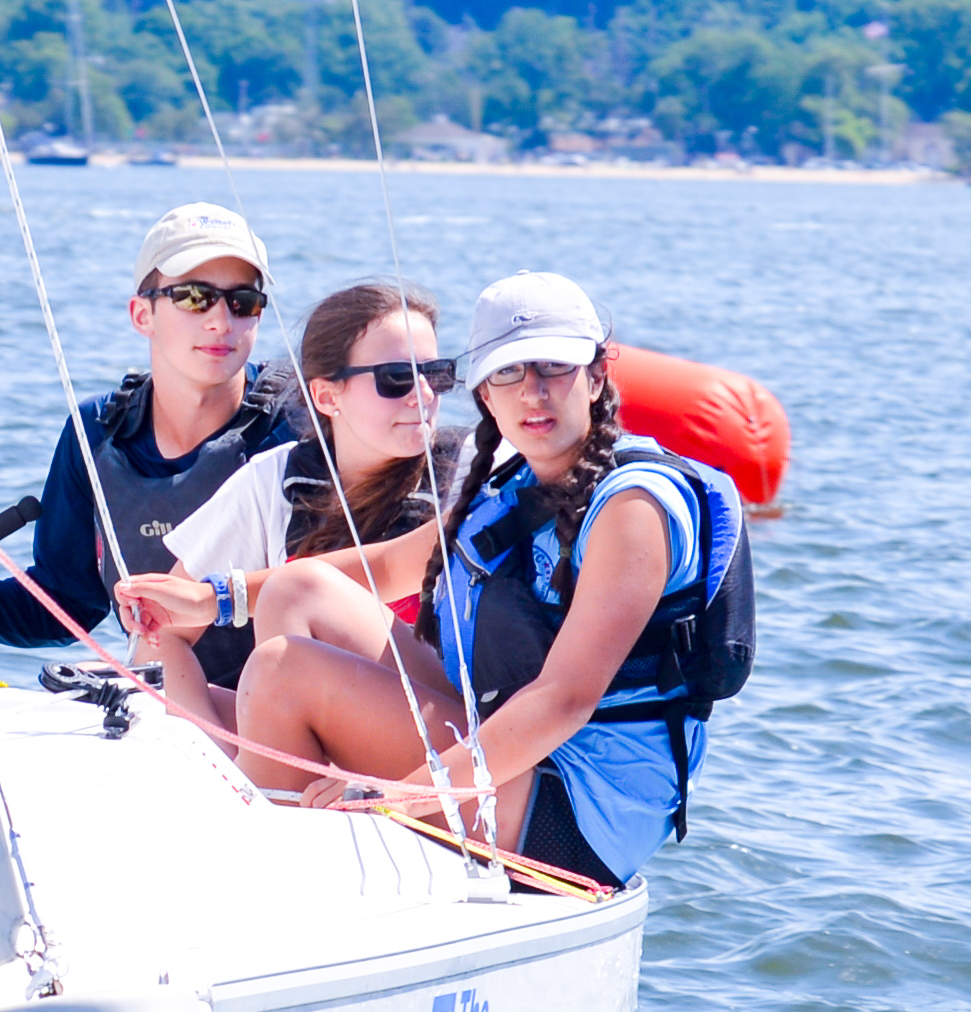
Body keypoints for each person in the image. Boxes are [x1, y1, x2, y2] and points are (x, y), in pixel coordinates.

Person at [221, 270, 753, 885]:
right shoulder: (518, 482)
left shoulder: (632, 507)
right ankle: (308, 823)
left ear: (596, 376)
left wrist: (396, 796)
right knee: (297, 590)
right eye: (509, 372)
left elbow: (565, 700)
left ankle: (282, 879)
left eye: (553, 367)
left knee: (284, 672)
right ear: (484, 395)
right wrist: (216, 597)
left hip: (581, 808)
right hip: (513, 750)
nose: (533, 393)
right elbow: (387, 565)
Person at [0, 204, 299, 683]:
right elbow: (67, 603)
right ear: (142, 314)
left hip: (286, 705)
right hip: (161, 701)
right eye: (195, 298)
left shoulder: (303, 428)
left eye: (243, 301)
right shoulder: (95, 432)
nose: (222, 321)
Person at [108, 278, 463, 738]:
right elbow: (164, 633)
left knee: (291, 596)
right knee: (202, 693)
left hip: (439, 733)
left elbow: (391, 567)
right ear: (327, 396)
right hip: (315, 735)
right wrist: (212, 744)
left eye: (436, 374)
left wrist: (217, 599)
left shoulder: (472, 474)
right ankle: (261, 769)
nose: (425, 394)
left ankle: (270, 772)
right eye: (395, 378)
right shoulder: (273, 481)